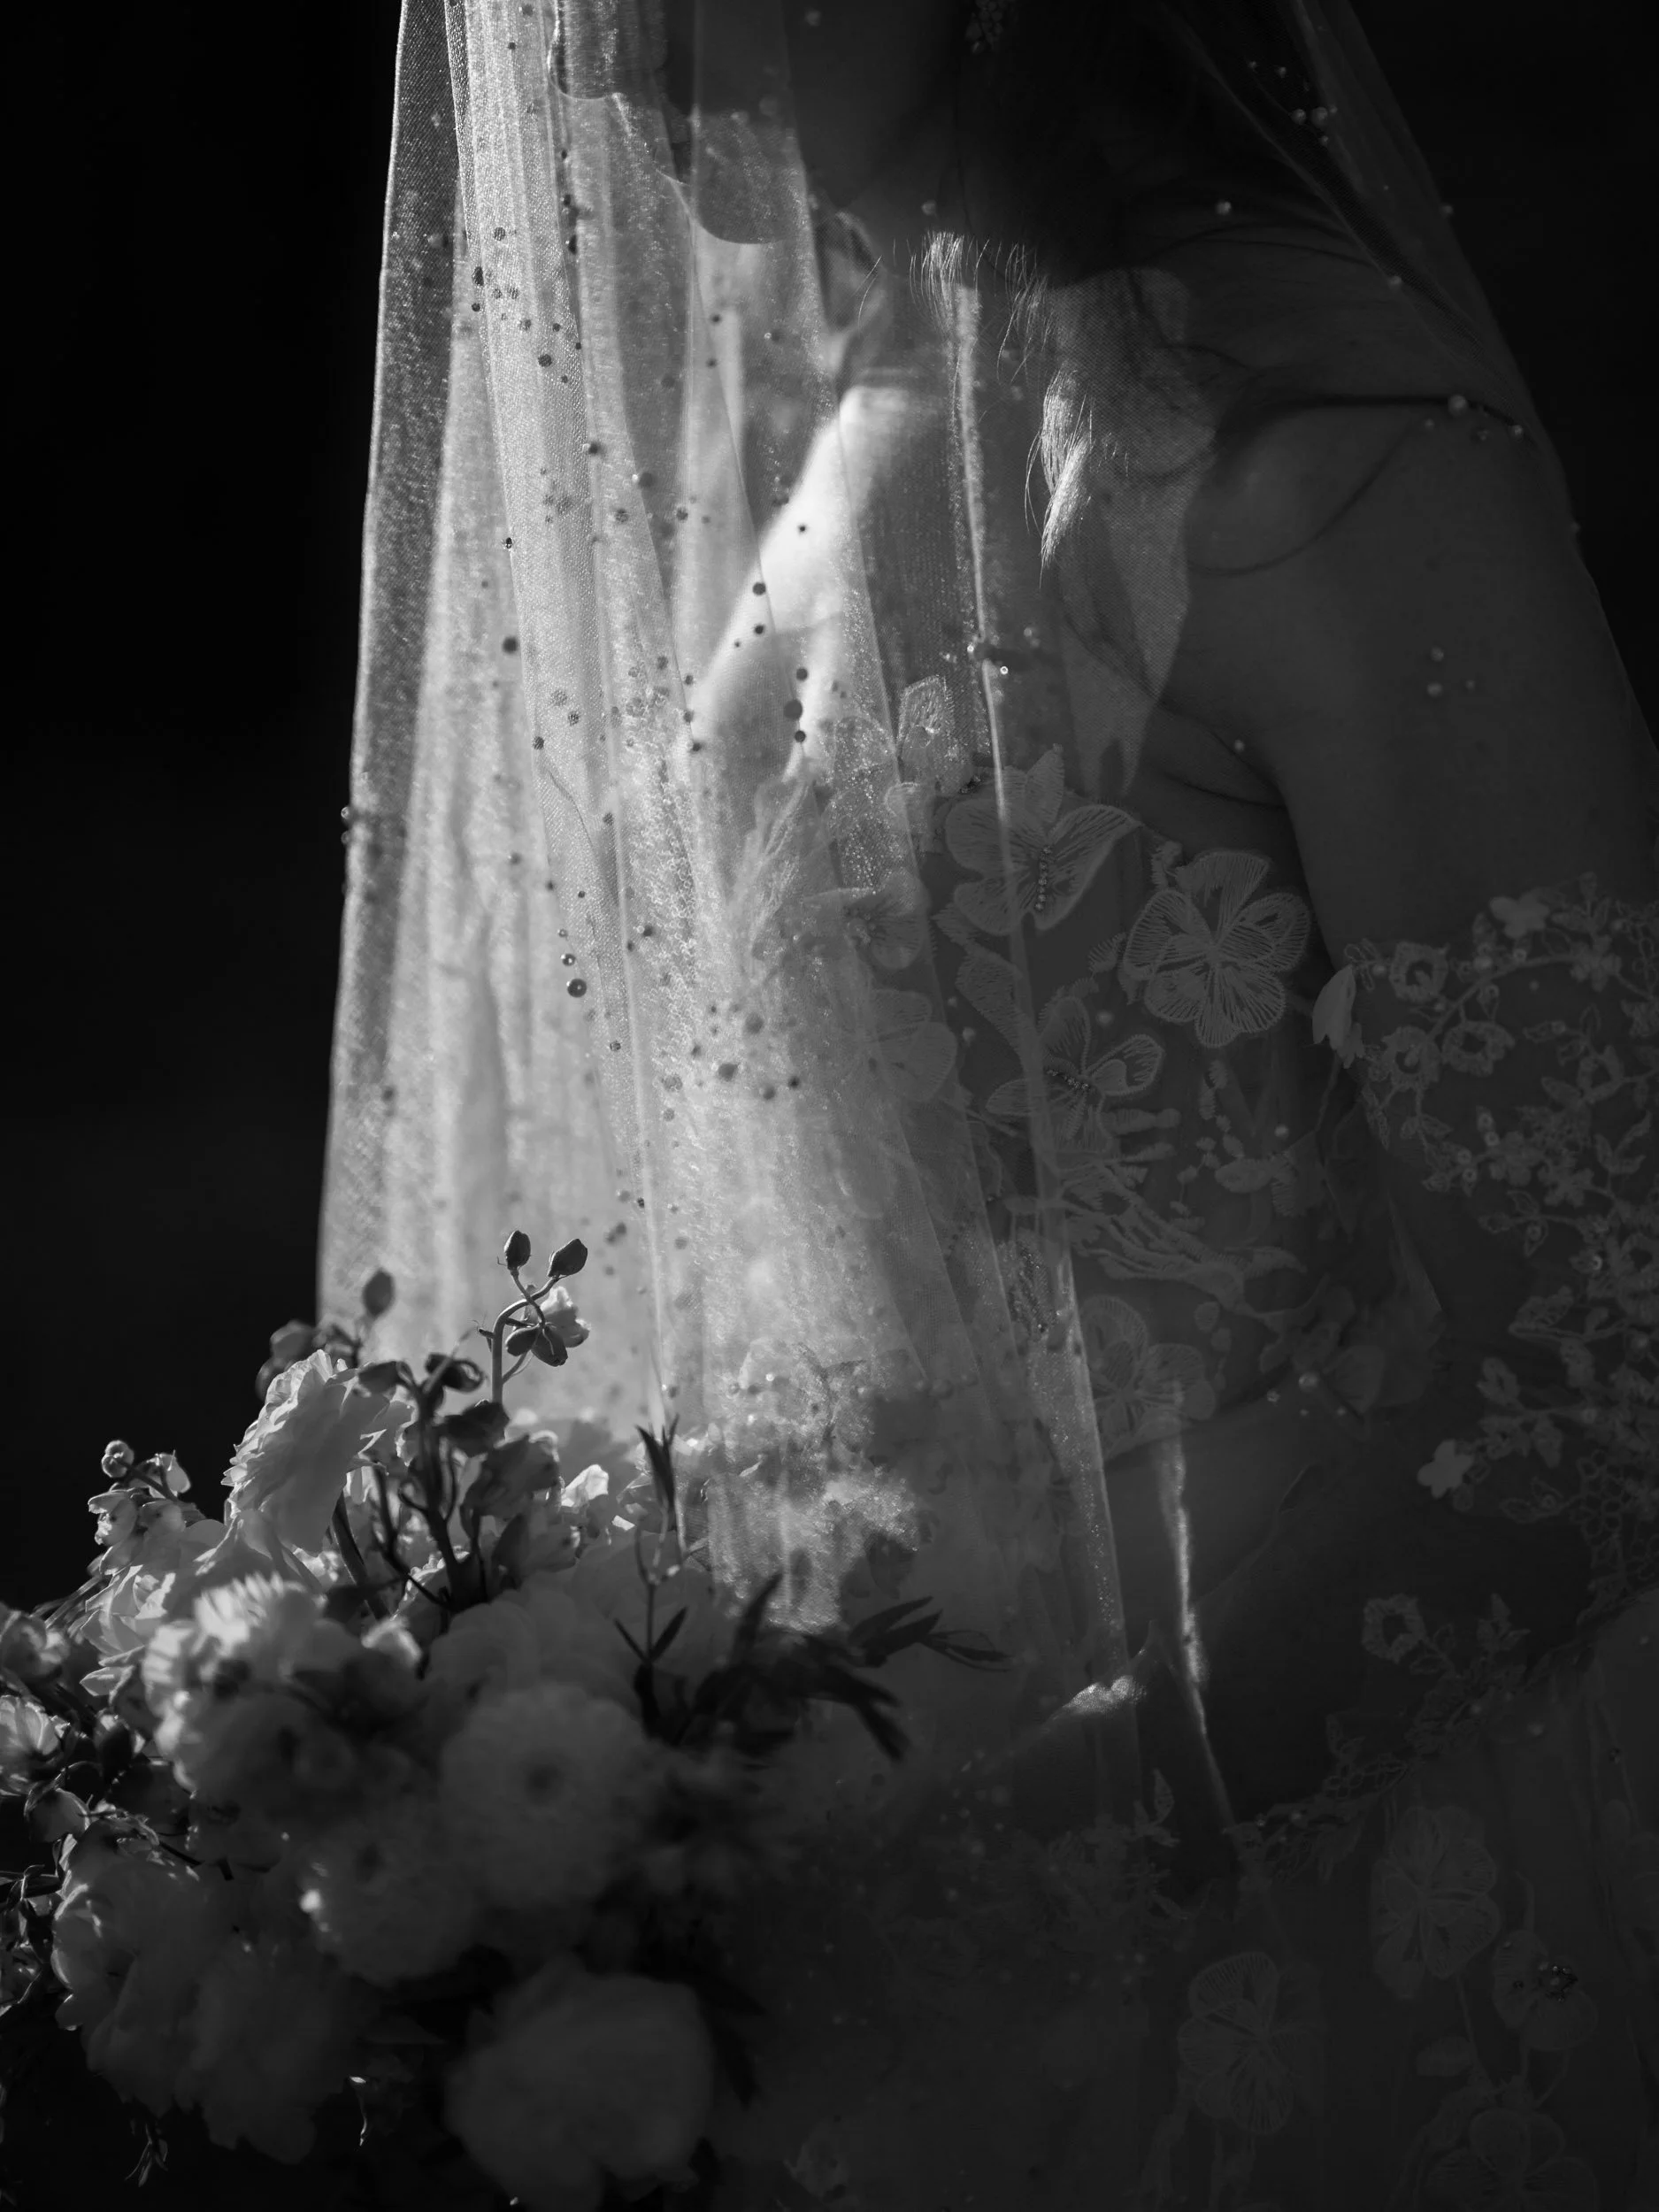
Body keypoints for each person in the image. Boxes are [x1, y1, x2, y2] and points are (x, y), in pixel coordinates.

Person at [323, 1, 1659, 2202]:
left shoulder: (1316, 465)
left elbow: (1602, 1370)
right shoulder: (855, 412)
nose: (584, 63)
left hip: (1327, 1884)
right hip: (878, 1834)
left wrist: (1002, 1858)